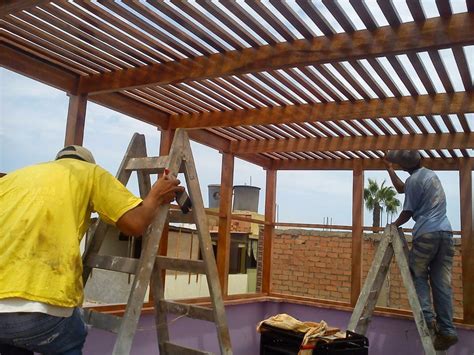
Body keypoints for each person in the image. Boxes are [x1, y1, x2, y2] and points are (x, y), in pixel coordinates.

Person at [0, 145, 184, 355]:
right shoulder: (89, 173)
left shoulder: (12, 179)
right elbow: (135, 223)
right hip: (40, 310)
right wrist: (156, 196)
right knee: (73, 334)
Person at [384, 150, 458, 351]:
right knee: (442, 283)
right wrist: (390, 169)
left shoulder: (414, 182)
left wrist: (393, 225)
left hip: (426, 234)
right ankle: (448, 330)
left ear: (404, 167)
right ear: (421, 160)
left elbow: (407, 212)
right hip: (446, 234)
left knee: (417, 272)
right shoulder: (431, 175)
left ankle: (426, 317)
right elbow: (402, 189)